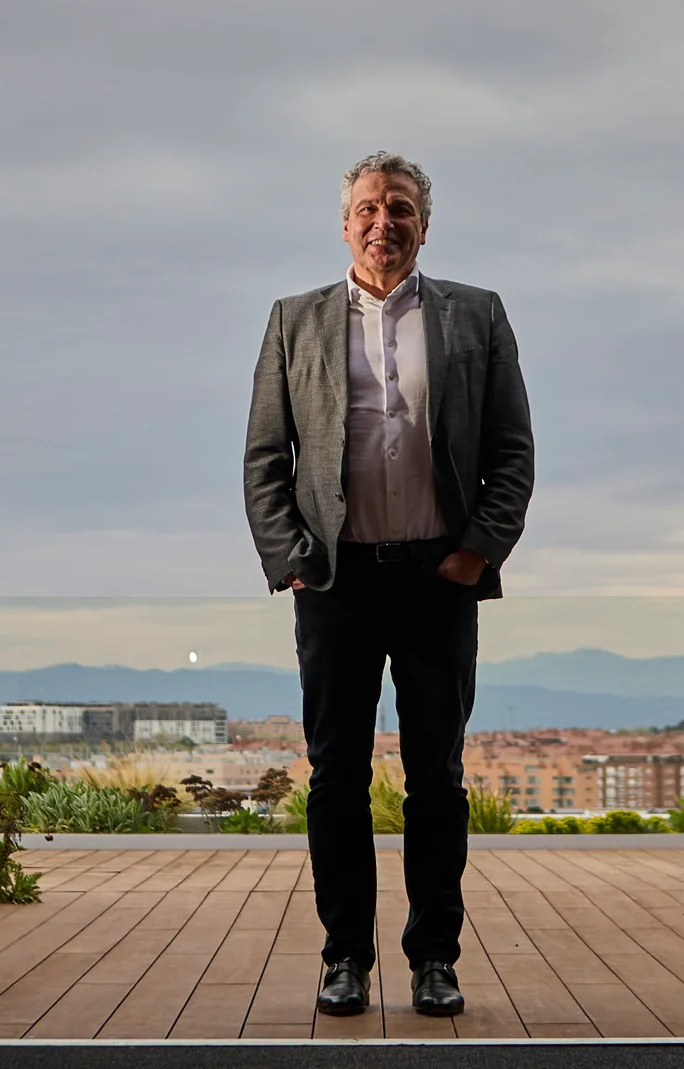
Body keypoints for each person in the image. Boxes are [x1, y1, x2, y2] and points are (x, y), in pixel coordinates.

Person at [243, 152, 535, 1017]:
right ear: (345, 225)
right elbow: (266, 456)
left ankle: (433, 960)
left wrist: (478, 552)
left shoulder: (477, 316)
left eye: (399, 207)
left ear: (423, 223)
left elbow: (511, 451)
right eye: (368, 208)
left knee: (436, 778)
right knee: (335, 777)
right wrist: (293, 556)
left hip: (437, 580)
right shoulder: (294, 320)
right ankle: (344, 959)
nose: (384, 222)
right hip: (334, 583)